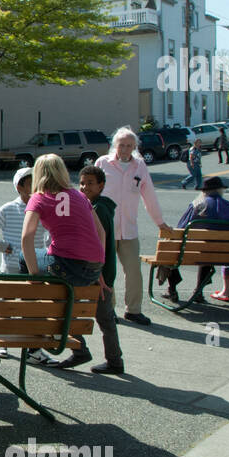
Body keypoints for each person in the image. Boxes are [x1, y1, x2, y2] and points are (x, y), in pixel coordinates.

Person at [22, 155, 108, 367]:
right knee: (62, 299)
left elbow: (26, 237)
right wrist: (99, 265)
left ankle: (36, 321)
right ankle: (80, 350)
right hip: (93, 266)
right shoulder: (80, 196)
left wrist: (34, 275)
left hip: (66, 265)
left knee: (26, 260)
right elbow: (101, 233)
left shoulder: (39, 198)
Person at [55, 165, 124, 374]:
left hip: (96, 273)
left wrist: (98, 273)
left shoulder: (98, 209)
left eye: (90, 183)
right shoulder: (97, 206)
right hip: (100, 271)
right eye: (82, 183)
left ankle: (87, 353)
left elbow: (97, 242)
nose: (84, 187)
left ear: (101, 185)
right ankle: (112, 359)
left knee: (76, 312)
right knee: (104, 318)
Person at [96, 127, 168, 326]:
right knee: (106, 272)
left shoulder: (140, 166)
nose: (125, 149)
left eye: (129, 146)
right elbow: (89, 192)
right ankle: (108, 310)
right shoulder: (103, 163)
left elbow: (150, 196)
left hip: (129, 228)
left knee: (134, 271)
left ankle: (133, 310)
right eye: (122, 145)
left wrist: (160, 222)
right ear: (114, 146)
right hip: (105, 229)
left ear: (135, 147)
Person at [0, 166, 53, 364]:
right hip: (11, 266)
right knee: (6, 306)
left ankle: (32, 348)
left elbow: (52, 233)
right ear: (19, 187)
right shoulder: (9, 208)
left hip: (34, 266)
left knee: (31, 309)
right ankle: (2, 341)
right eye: (30, 183)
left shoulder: (43, 208)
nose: (35, 186)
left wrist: (50, 249)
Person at [162, 175, 229, 303]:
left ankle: (172, 289)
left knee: (168, 248)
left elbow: (180, 229)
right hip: (224, 254)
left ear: (204, 191)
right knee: (208, 250)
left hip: (195, 252)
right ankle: (198, 291)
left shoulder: (197, 205)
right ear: (220, 190)